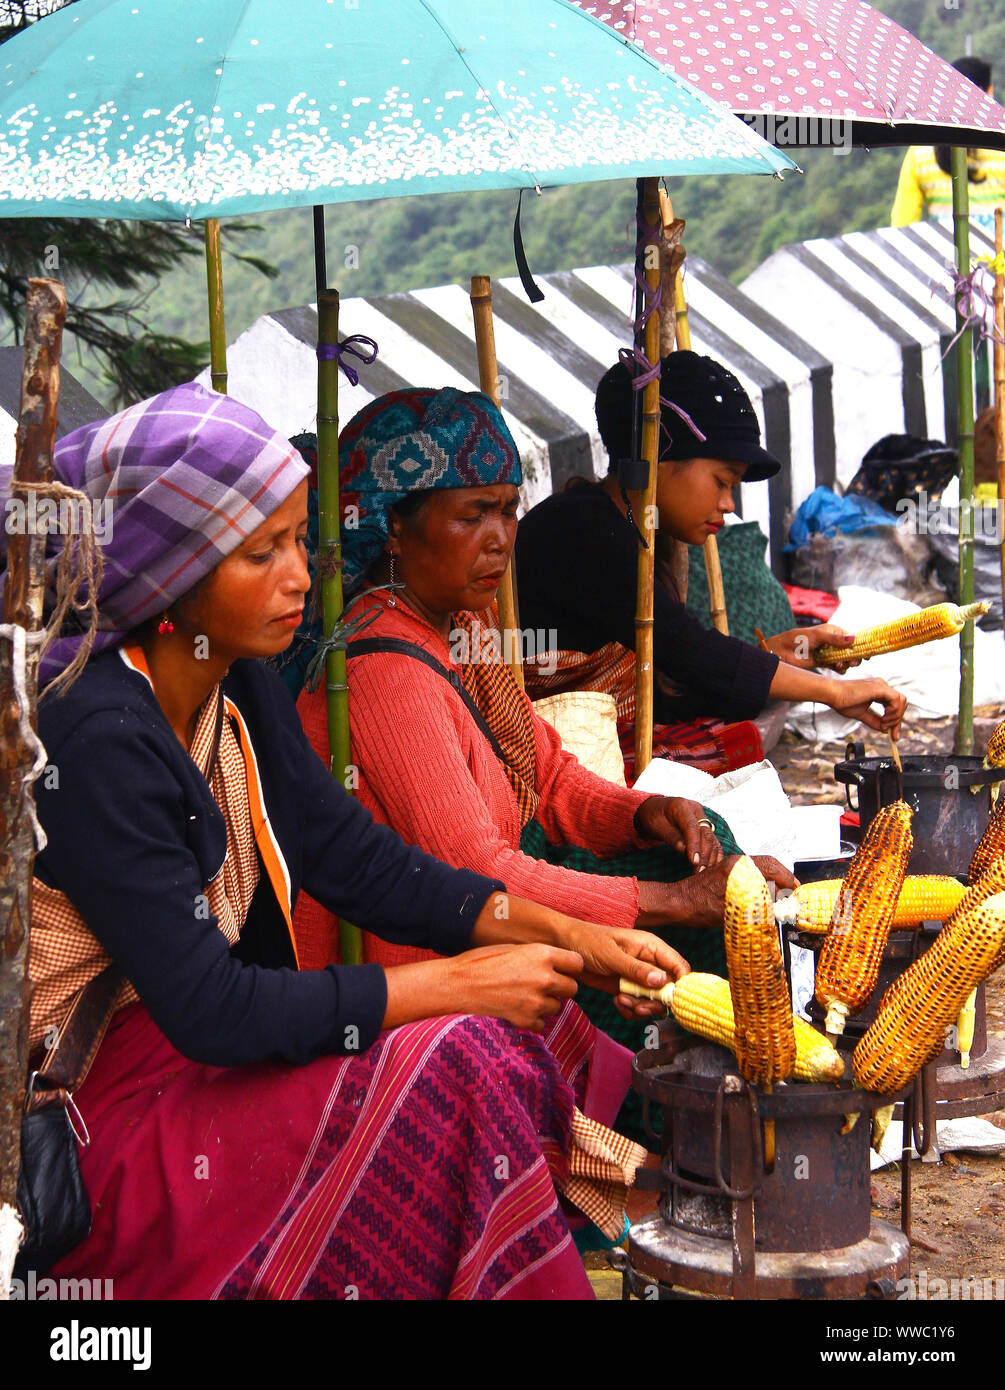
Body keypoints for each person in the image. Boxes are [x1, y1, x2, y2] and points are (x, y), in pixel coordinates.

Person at [14, 381, 696, 1301]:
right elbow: (212, 1011)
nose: (301, 575)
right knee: (459, 1054)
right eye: (262, 552)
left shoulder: (227, 671)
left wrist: (560, 933)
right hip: (114, 1123)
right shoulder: (93, 734)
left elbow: (349, 856)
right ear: (166, 570)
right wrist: (450, 982)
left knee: (484, 1043)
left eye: (300, 541)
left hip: (212, 1066)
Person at [293, 387, 797, 1131]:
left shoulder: (461, 628)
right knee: (692, 907)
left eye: (507, 509)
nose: (500, 538)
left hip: (489, 910)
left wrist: (646, 812)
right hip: (420, 968)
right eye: (472, 515)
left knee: (703, 852)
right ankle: (669, 1130)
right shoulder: (382, 669)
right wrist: (662, 904)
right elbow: (478, 875)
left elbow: (550, 773)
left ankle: (703, 1115)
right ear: (394, 527)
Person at [513, 351, 907, 763]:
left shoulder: (631, 531)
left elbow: (673, 682)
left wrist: (775, 655)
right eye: (722, 482)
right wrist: (834, 692)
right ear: (659, 457)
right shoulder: (585, 530)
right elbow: (689, 652)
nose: (728, 503)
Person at [890, 57, 1005, 229]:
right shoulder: (999, 144)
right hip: (997, 255)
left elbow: (902, 220)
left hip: (945, 253)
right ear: (987, 92)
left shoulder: (920, 152)